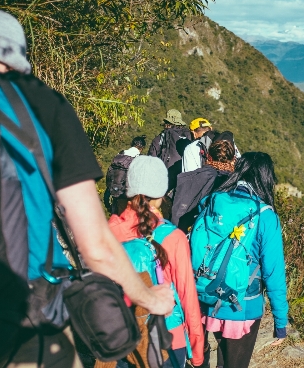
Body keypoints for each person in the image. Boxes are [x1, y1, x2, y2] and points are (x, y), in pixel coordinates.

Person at [0, 8, 175, 367]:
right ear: (17, 56)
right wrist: (151, 298)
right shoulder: (39, 104)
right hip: (23, 318)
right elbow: (95, 247)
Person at [192, 152, 289, 368]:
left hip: (209, 295)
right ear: (265, 178)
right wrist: (281, 322)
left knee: (222, 360)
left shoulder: (213, 200)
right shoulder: (265, 215)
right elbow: (274, 273)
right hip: (242, 305)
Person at [108, 156, 204, 368]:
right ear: (161, 194)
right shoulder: (173, 237)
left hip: (122, 338)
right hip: (166, 338)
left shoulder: (110, 231)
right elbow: (187, 297)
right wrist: (197, 350)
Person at [172, 133, 237, 233]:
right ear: (233, 159)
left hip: (188, 233)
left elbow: (179, 209)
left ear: (208, 156)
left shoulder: (196, 176)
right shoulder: (236, 183)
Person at [104, 135, 147, 215]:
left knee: (116, 221)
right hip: (129, 197)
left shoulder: (120, 154)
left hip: (115, 194)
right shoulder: (139, 158)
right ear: (142, 148)